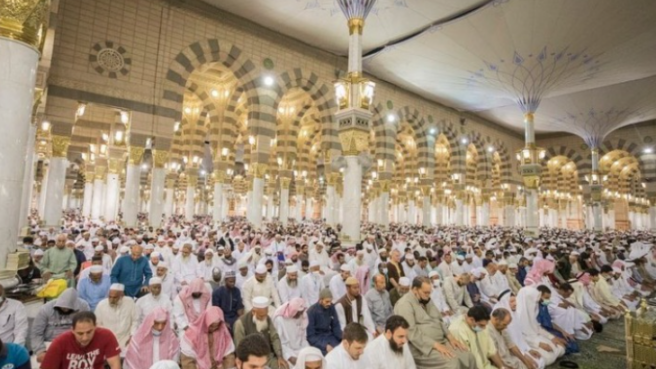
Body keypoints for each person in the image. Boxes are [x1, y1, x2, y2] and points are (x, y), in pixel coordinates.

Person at [394, 276, 475, 369]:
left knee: (468, 356)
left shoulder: (426, 298)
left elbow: (439, 319)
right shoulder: (404, 304)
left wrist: (451, 337)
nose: (428, 295)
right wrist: (435, 345)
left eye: (429, 292)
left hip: (441, 340)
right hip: (422, 348)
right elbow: (411, 333)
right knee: (452, 363)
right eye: (425, 292)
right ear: (415, 289)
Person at [40, 311, 121, 369]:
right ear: (72, 330)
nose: (85, 338)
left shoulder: (106, 336)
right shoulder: (60, 342)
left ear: (95, 326)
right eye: (80, 333)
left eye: (89, 332)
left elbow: (115, 365)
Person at [31, 288, 90, 362]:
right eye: (63, 308)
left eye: (68, 308)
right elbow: (36, 333)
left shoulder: (83, 306)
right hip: (49, 343)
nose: (65, 310)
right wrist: (40, 351)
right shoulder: (45, 309)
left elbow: (87, 330)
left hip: (75, 344)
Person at [515, 287, 565, 366]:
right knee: (545, 358)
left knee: (560, 348)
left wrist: (552, 337)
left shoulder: (532, 311)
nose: (535, 303)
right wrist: (538, 344)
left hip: (536, 336)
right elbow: (519, 337)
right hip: (527, 343)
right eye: (534, 301)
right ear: (528, 300)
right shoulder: (516, 315)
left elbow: (537, 327)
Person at [234, 297, 287, 369]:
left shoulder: (266, 318)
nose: (264, 318)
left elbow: (274, 337)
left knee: (283, 367)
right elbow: (240, 348)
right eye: (261, 316)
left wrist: (279, 356)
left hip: (267, 357)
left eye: (266, 314)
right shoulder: (240, 324)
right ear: (253, 311)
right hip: (251, 359)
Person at [94, 283, 138, 353]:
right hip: (107, 340)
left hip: (125, 339)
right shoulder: (101, 305)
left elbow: (135, 320)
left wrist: (132, 336)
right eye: (110, 297)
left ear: (122, 296)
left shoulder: (129, 302)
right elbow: (97, 324)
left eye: (115, 297)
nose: (111, 300)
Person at [274, 298, 310, 367]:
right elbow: (279, 342)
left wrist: (307, 350)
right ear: (292, 310)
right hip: (287, 351)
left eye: (301, 312)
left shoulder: (301, 316)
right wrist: (289, 357)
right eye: (298, 312)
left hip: (301, 349)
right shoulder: (280, 319)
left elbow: (303, 338)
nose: (300, 314)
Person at [306, 289, 342, 355]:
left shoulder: (331, 307)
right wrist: (325, 345)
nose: (329, 304)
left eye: (330, 301)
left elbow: (336, 325)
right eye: (327, 301)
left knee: (341, 349)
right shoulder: (311, 311)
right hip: (318, 339)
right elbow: (310, 336)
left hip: (329, 336)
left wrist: (342, 338)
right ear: (320, 300)